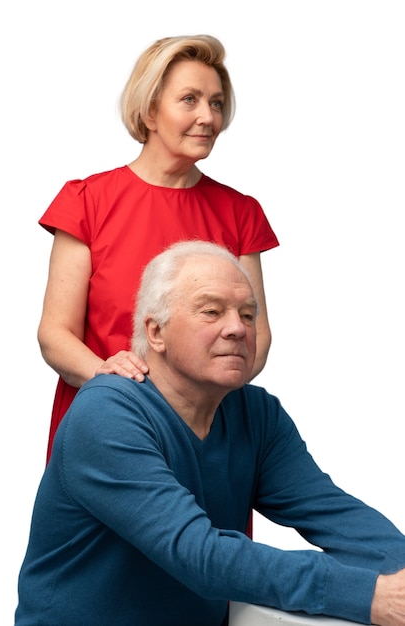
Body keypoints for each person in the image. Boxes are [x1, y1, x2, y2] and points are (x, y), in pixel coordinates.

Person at [16, 240, 405, 626]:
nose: (237, 328)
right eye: (212, 312)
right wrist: (366, 595)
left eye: (248, 315)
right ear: (155, 332)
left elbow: (334, 515)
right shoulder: (107, 413)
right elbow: (199, 555)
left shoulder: (257, 414)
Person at [37, 34, 279, 463]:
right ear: (150, 110)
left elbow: (254, 341)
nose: (208, 116)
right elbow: (56, 335)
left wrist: (191, 399)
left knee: (202, 532)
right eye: (190, 99)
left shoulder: (241, 212)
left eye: (217, 103)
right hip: (103, 425)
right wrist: (113, 380)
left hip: (204, 432)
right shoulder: (87, 201)